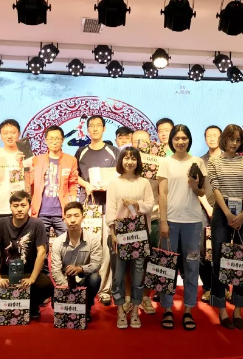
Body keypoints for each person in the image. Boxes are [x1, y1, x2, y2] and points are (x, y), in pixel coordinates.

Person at [157, 125, 207, 330]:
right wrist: (163, 221)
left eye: (184, 138)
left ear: (189, 140)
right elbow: (162, 194)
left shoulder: (198, 162)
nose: (180, 141)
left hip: (193, 223)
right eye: (176, 138)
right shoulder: (165, 162)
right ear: (171, 140)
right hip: (170, 221)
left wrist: (194, 185)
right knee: (167, 266)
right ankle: (167, 309)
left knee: (192, 267)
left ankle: (188, 310)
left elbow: (203, 192)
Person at [0, 191, 54, 319]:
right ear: (10, 207)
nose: (19, 209)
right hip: (5, 274)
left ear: (29, 206)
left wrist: (32, 278)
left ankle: (32, 306)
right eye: (15, 205)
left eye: (23, 205)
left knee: (47, 287)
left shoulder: (37, 224)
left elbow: (42, 252)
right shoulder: (1, 224)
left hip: (28, 273)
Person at [207, 124, 243, 330]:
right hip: (221, 212)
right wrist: (227, 213)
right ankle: (222, 309)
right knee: (219, 259)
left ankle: (238, 310)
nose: (234, 143)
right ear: (224, 139)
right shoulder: (214, 161)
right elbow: (215, 188)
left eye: (238, 139)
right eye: (231, 139)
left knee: (241, 260)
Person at [106, 147, 154, 328]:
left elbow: (150, 206)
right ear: (120, 161)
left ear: (138, 161)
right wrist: (112, 233)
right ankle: (120, 311)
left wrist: (136, 204)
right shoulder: (114, 183)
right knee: (118, 275)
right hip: (119, 235)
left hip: (140, 235)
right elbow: (110, 209)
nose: (129, 161)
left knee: (138, 274)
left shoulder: (144, 183)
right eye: (126, 158)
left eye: (133, 158)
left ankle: (134, 311)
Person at [74, 115, 119, 306]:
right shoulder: (81, 152)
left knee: (108, 248)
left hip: (109, 206)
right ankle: (84, 286)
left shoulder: (114, 151)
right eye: (91, 126)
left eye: (98, 125)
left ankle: (105, 289)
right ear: (87, 129)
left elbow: (120, 175)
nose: (94, 128)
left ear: (104, 129)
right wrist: (86, 184)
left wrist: (110, 185)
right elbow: (74, 174)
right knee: (87, 247)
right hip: (89, 207)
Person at [50, 202, 103, 322]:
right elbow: (55, 270)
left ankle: (87, 306)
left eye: (76, 215)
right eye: (69, 216)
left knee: (95, 278)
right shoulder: (58, 242)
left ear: (83, 217)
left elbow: (97, 264)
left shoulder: (93, 239)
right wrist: (68, 289)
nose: (72, 220)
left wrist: (81, 269)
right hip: (66, 282)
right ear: (64, 218)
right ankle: (69, 301)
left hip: (84, 279)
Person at [28, 125, 79, 248]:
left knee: (68, 246)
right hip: (41, 212)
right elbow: (29, 183)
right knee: (40, 248)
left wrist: (72, 207)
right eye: (51, 139)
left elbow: (73, 184)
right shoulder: (36, 160)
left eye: (57, 139)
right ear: (46, 140)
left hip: (62, 213)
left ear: (62, 140)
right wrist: (21, 165)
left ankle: (66, 263)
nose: (54, 142)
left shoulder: (70, 160)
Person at [0, 119, 31, 232]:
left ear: (19, 133)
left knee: (22, 242)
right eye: (5, 133)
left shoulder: (26, 153)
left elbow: (30, 183)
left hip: (21, 208)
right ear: (0, 135)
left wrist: (21, 164)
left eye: (13, 132)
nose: (9, 136)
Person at [132, 129, 160, 314]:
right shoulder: (127, 164)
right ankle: (130, 297)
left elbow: (165, 192)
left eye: (144, 142)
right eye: (137, 142)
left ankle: (145, 297)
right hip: (132, 220)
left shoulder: (159, 163)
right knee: (133, 261)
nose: (141, 146)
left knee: (151, 259)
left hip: (155, 217)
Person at [199, 125, 222, 303]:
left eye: (215, 135)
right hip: (203, 210)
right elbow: (197, 188)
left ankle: (223, 288)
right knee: (202, 251)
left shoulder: (229, 160)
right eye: (209, 136)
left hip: (225, 211)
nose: (212, 138)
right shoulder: (200, 162)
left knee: (223, 249)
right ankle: (207, 287)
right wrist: (207, 207)